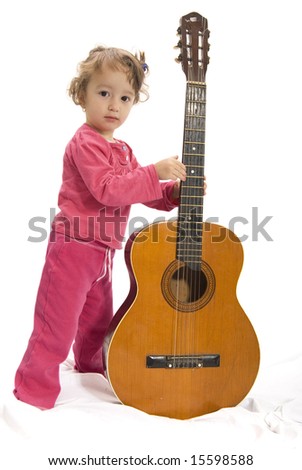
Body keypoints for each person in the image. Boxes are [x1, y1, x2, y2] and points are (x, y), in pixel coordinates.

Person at [13, 46, 186, 410]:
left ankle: (91, 369)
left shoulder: (122, 149)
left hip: (104, 253)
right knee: (56, 327)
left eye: (125, 98)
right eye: (104, 93)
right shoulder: (85, 143)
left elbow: (140, 190)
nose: (114, 106)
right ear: (82, 94)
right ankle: (33, 393)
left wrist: (173, 193)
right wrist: (154, 172)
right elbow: (109, 190)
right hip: (74, 247)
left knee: (97, 324)